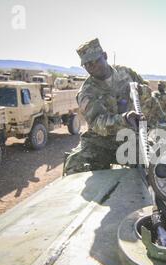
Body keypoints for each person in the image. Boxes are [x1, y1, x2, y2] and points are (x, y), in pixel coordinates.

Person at [63, 38, 155, 175]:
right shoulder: (86, 92)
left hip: (129, 138)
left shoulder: (127, 73)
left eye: (96, 61)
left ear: (105, 56)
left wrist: (141, 91)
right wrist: (124, 119)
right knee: (74, 166)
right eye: (88, 64)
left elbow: (149, 95)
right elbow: (98, 123)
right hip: (100, 142)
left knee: (155, 165)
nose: (93, 67)